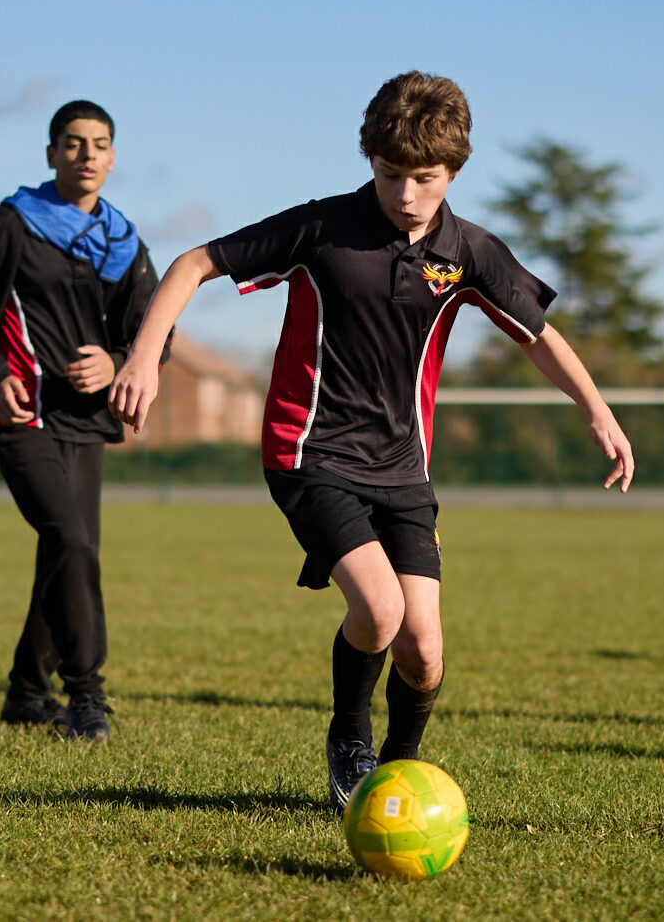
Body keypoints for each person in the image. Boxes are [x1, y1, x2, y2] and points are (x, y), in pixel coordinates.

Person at [107, 71, 636, 808]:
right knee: (379, 611)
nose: (408, 195)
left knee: (423, 651)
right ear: (371, 163)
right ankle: (349, 742)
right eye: (391, 176)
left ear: (454, 170)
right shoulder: (324, 228)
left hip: (403, 469)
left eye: (425, 178)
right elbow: (195, 263)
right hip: (308, 453)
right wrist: (142, 355)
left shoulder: (471, 251)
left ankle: (398, 773)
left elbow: (537, 336)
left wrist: (597, 412)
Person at [0, 100, 158, 742]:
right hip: (18, 411)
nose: (87, 155)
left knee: (65, 551)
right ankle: (85, 693)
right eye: (74, 143)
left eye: (100, 144)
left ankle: (28, 693)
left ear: (113, 158)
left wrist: (116, 363)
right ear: (52, 153)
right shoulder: (10, 226)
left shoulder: (125, 241)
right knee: (72, 540)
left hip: (85, 421)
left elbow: (150, 332)